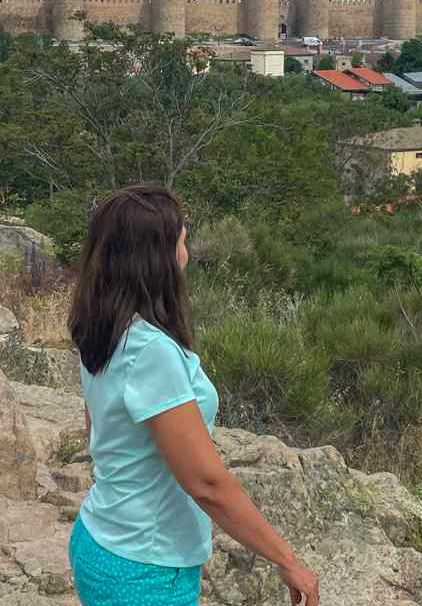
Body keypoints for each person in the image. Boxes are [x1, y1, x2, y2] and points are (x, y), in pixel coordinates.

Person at [67, 185, 320, 606]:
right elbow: (205, 483)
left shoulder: (102, 326)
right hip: (145, 569)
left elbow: (100, 431)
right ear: (160, 258)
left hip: (99, 538)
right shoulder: (150, 352)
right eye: (183, 241)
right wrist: (286, 559)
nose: (187, 253)